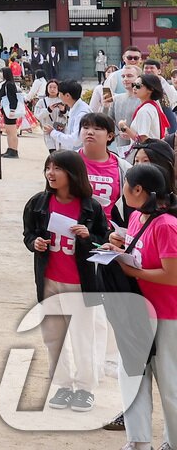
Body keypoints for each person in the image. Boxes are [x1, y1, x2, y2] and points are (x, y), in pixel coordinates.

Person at [23, 150, 109, 415]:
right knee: (53, 337)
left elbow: (102, 242)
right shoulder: (38, 203)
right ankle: (62, 385)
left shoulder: (90, 207)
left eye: (57, 168)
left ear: (73, 174)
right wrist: (34, 243)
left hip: (80, 284)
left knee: (83, 336)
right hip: (49, 281)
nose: (51, 173)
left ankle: (85, 388)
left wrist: (87, 236)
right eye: (48, 167)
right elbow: (28, 234)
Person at [107, 162, 177, 449]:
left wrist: (133, 272)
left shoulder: (168, 226)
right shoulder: (137, 217)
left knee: (169, 380)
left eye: (126, 184)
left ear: (139, 189)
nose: (123, 190)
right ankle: (138, 441)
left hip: (166, 314)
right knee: (132, 374)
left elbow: (171, 275)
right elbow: (138, 252)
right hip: (137, 311)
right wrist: (118, 247)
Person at [121, 75, 169, 156]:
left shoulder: (145, 111)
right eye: (134, 85)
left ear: (150, 89)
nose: (134, 88)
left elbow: (143, 140)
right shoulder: (152, 107)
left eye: (138, 85)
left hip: (146, 155)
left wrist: (124, 127)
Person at [49, 80, 89, 153]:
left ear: (67, 95)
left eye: (60, 93)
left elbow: (75, 140)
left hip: (80, 156)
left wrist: (53, 132)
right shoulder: (75, 108)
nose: (58, 96)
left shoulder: (81, 113)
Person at [0, 74, 25, 159]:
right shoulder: (4, 83)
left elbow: (13, 98)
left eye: (2, 73)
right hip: (6, 110)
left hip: (10, 110)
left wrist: (13, 109)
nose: (0, 75)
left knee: (12, 132)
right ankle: (10, 148)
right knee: (8, 132)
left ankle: (14, 150)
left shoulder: (10, 84)